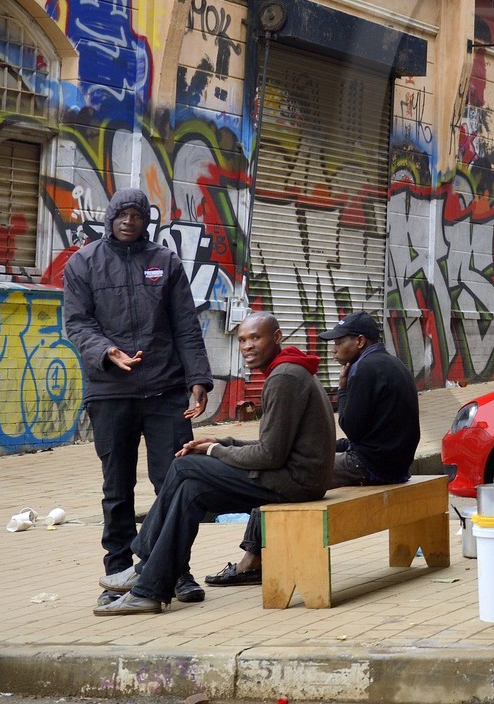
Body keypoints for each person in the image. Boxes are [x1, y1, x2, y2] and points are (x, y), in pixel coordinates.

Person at [92, 312, 335, 615]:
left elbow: (270, 455)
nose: (247, 346)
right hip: (295, 477)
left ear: (276, 337)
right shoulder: (288, 370)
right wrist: (223, 444)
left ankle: (144, 565)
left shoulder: (284, 377)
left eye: (255, 338)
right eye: (243, 339)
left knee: (184, 467)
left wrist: (212, 452)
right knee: (190, 488)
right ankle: (150, 589)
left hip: (296, 484)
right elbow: (275, 446)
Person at [63, 186, 214, 605]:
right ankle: (117, 573)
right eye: (123, 214)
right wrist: (106, 352)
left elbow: (186, 325)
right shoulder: (84, 264)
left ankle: (176, 569)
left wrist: (197, 379)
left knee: (176, 483)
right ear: (110, 216)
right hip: (111, 393)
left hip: (166, 391)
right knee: (118, 488)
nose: (130, 221)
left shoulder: (163, 262)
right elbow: (76, 323)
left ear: (148, 220)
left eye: (138, 215)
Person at [205, 311, 419, 587]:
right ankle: (256, 556)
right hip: (393, 461)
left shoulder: (363, 369)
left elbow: (351, 426)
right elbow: (369, 430)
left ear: (360, 341)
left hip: (371, 465)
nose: (334, 348)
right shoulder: (390, 362)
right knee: (288, 467)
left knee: (278, 479)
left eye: (339, 342)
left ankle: (251, 562)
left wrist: (342, 390)